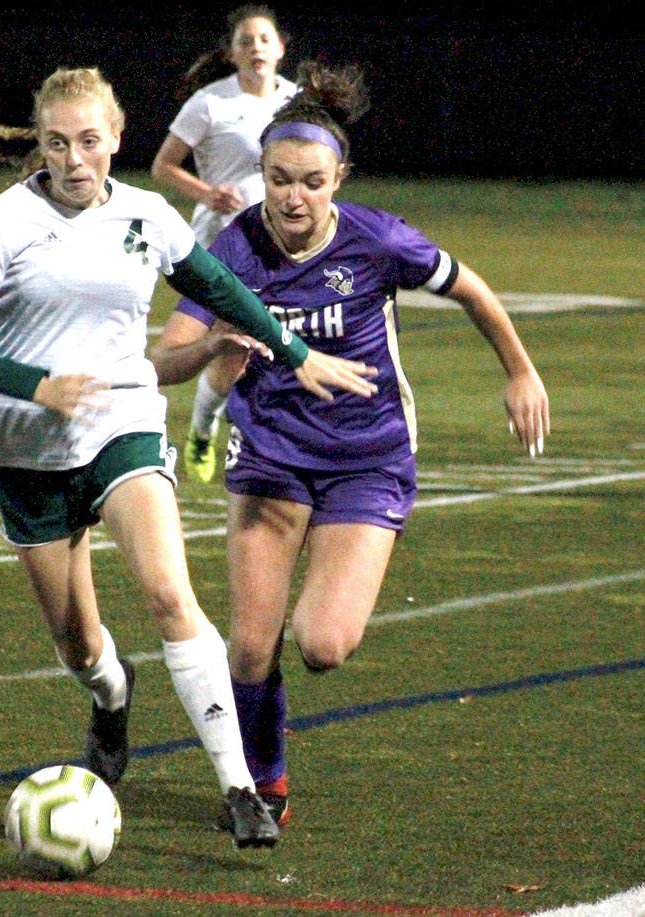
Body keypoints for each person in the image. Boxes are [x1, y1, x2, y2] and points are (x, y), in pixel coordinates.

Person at [0, 66, 378, 848]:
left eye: (90, 142)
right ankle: (111, 694)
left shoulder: (146, 214)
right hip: (29, 450)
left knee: (172, 593)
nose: (74, 160)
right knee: (79, 647)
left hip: (124, 423)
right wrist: (37, 385)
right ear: (40, 141)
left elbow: (224, 288)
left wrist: (290, 347)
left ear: (117, 136)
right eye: (58, 143)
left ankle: (242, 790)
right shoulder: (0, 222)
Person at [150, 62, 551, 828]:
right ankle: (264, 785)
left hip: (367, 458)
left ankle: (277, 725)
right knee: (247, 647)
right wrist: (210, 350)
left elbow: (470, 287)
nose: (292, 197)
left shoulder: (378, 240)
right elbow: (162, 361)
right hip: (268, 457)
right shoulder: (232, 253)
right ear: (261, 174)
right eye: (278, 179)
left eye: (311, 181)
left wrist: (521, 371)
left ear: (339, 179)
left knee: (324, 643)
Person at [150, 5, 297, 484]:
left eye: (263, 39)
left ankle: (212, 428)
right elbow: (163, 166)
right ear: (232, 53)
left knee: (249, 347)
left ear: (280, 48)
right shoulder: (209, 103)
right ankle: (203, 427)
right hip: (222, 245)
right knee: (237, 344)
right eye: (245, 41)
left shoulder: (298, 104)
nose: (256, 47)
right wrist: (207, 192)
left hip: (283, 245)